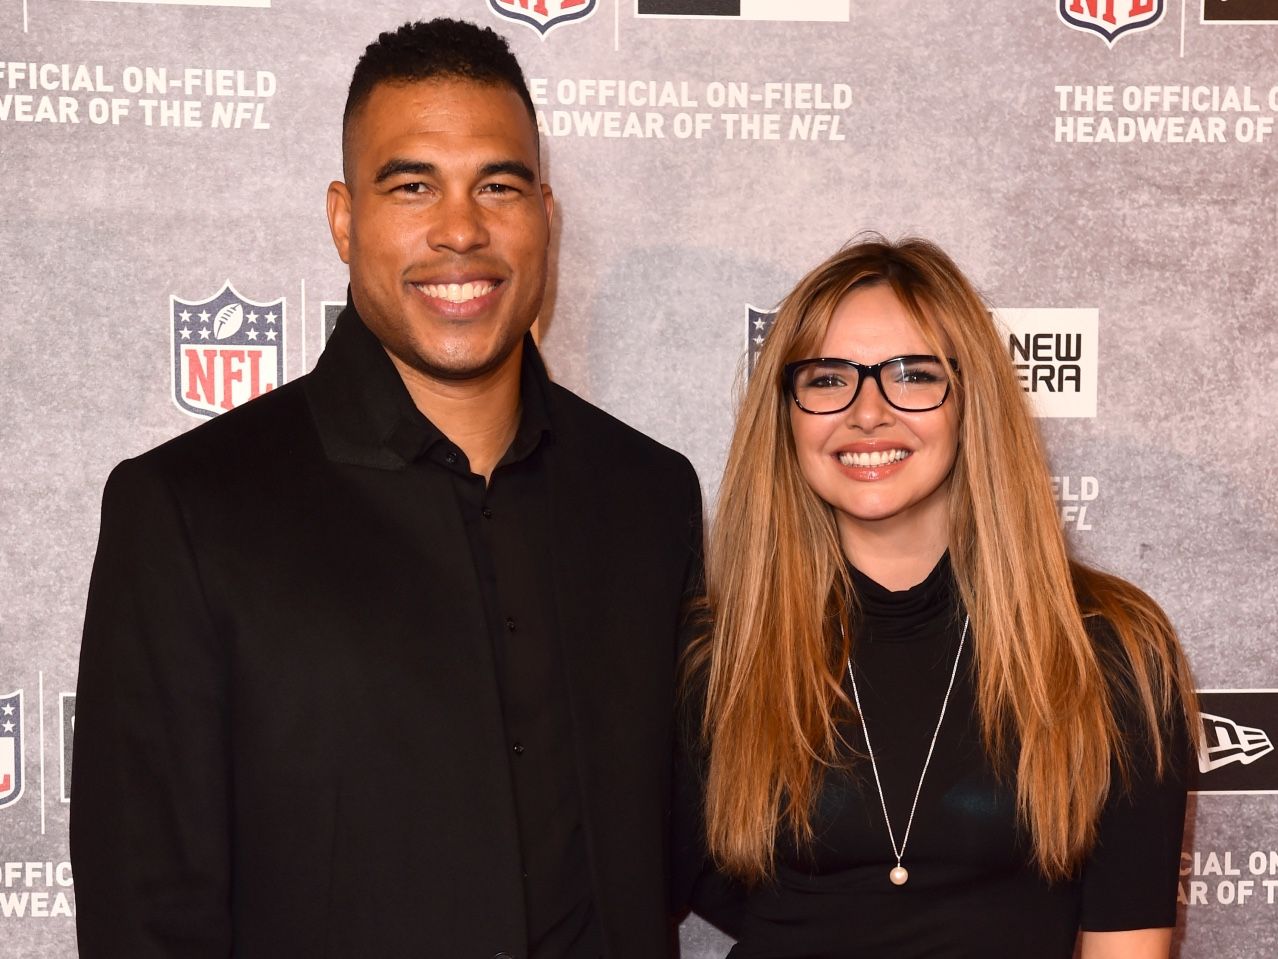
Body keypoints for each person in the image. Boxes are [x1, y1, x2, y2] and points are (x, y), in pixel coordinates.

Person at [71, 19, 702, 959]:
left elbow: (712, 849)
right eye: (413, 186)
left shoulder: (649, 495)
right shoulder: (188, 512)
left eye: (499, 185)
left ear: (545, 217)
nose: (461, 229)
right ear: (343, 219)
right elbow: (145, 915)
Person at [676, 236, 1196, 958]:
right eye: (828, 379)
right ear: (787, 414)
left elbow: (1128, 944)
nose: (867, 412)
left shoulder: (1109, 652)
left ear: (970, 398)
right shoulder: (717, 656)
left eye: (911, 375)